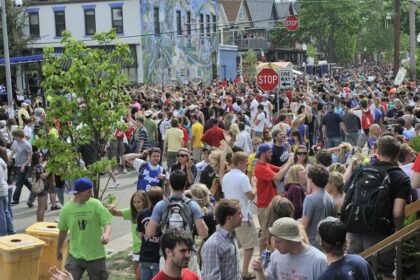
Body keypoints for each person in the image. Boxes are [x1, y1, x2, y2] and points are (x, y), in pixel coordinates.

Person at [344, 136, 410, 279]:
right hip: (380, 235)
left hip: (354, 230)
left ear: (378, 151)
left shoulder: (362, 169)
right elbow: (398, 213)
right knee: (382, 273)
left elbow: (346, 194)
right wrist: (398, 231)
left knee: (356, 272)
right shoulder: (400, 176)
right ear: (397, 154)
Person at [146, 170, 208, 272]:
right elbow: (204, 233)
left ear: (170, 183)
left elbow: (149, 232)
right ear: (185, 184)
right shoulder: (192, 205)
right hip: (187, 253)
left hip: (167, 253)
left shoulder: (161, 205)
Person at [57, 177, 113, 280]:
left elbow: (107, 222)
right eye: (89, 192)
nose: (91, 194)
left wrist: (106, 234)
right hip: (75, 255)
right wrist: (58, 248)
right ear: (79, 193)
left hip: (96, 255)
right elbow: (63, 230)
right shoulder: (66, 209)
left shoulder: (95, 204)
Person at [252, 217, 328, 280]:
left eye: (278, 242)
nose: (274, 246)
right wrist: (259, 271)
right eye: (274, 241)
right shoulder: (275, 256)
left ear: (292, 240)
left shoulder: (319, 261)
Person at [221, 152, 258, 279]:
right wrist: (255, 185)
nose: (247, 165)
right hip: (242, 216)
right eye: (246, 162)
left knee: (233, 245)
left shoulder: (226, 176)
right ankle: (244, 272)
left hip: (228, 216)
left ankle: (236, 270)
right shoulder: (242, 177)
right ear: (241, 162)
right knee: (249, 245)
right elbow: (251, 196)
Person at [254, 143, 294, 248]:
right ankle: (263, 259)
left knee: (270, 233)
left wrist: (289, 160)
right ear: (263, 154)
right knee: (265, 235)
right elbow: (277, 177)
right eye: (269, 152)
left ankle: (266, 257)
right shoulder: (260, 167)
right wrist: (289, 163)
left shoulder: (266, 164)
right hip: (264, 205)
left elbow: (280, 169)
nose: (272, 154)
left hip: (269, 204)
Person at [109, 191, 148, 280]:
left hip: (148, 249)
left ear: (145, 201)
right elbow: (115, 213)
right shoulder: (131, 212)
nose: (136, 205)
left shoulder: (150, 212)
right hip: (137, 249)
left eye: (139, 202)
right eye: (134, 202)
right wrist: (112, 207)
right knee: (138, 277)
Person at [201, 199, 242, 280]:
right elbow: (212, 277)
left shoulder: (232, 235)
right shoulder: (213, 244)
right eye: (239, 214)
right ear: (228, 218)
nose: (242, 216)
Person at [301, 164, 336, 249]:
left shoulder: (310, 199)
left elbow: (303, 226)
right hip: (325, 244)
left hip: (312, 245)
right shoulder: (330, 198)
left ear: (311, 180)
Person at [137, 187, 164, 280]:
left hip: (145, 256)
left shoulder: (142, 213)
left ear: (148, 199)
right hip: (158, 257)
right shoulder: (164, 213)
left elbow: (140, 235)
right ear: (162, 198)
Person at [10, 129, 36, 206]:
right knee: (25, 181)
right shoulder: (15, 142)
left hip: (24, 166)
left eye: (15, 136)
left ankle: (15, 199)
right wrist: (9, 159)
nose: (14, 138)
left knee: (18, 183)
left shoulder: (27, 145)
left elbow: (30, 157)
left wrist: (24, 165)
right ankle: (35, 192)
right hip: (17, 165)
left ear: (19, 136)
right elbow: (13, 151)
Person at [0, 146, 14, 236]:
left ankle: (3, 234)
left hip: (1, 189)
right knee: (6, 211)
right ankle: (11, 231)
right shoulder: (3, 162)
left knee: (2, 213)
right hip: (4, 188)